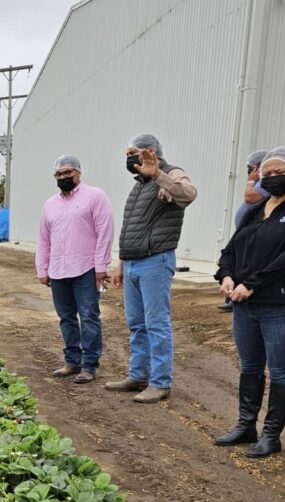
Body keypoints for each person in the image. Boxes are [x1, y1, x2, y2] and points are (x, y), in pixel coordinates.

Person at [213, 146, 285, 458]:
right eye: (266, 174)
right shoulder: (254, 210)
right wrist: (227, 276)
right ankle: (246, 425)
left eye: (279, 172)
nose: (271, 178)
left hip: (282, 305)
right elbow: (230, 249)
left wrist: (252, 283)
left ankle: (271, 435)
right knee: (249, 366)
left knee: (281, 369)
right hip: (245, 304)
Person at [105, 133, 197, 403]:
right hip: (133, 263)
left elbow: (188, 195)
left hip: (155, 261)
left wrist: (158, 174)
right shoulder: (139, 185)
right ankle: (138, 376)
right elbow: (132, 230)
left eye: (132, 153)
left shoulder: (170, 174)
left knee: (156, 324)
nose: (129, 159)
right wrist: (122, 264)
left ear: (149, 152)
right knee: (136, 324)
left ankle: (160, 382)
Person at [35, 154, 114, 383]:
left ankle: (89, 365)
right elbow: (44, 239)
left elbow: (104, 233)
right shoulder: (50, 205)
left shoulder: (95, 197)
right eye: (59, 174)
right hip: (58, 270)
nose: (63, 177)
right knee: (66, 317)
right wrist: (43, 268)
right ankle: (72, 361)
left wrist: (101, 266)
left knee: (89, 316)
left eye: (68, 173)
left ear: (79, 172)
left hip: (86, 268)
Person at [220, 149, 271, 311]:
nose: (250, 171)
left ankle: (236, 295)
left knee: (246, 264)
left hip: (254, 231)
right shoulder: (259, 183)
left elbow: (250, 198)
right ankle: (231, 296)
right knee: (232, 261)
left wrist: (251, 181)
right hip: (244, 230)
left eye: (252, 168)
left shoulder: (265, 183)